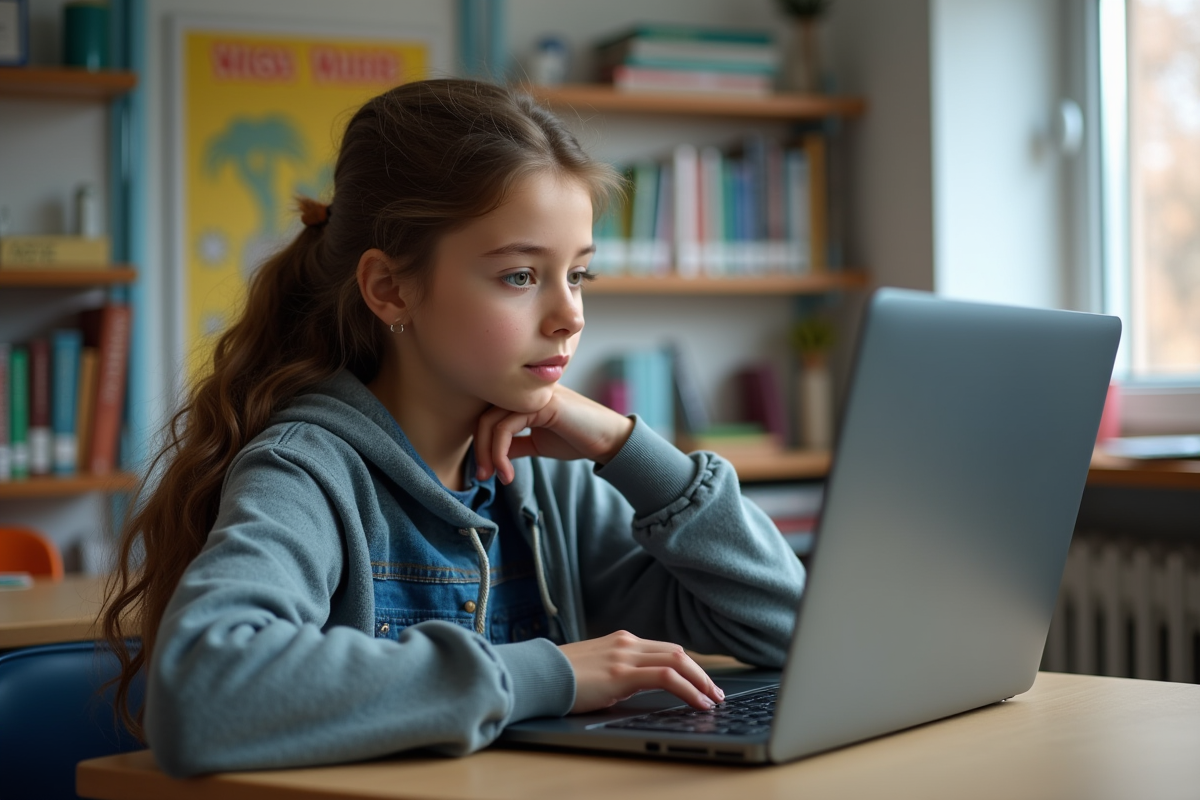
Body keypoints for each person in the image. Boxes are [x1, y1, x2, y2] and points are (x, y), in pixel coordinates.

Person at [102, 78, 806, 778]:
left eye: (579, 275)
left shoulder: (548, 482)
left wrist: (629, 449)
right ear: (391, 289)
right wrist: (544, 674)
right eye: (522, 277)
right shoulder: (309, 470)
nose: (570, 316)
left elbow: (794, 629)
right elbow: (203, 695)